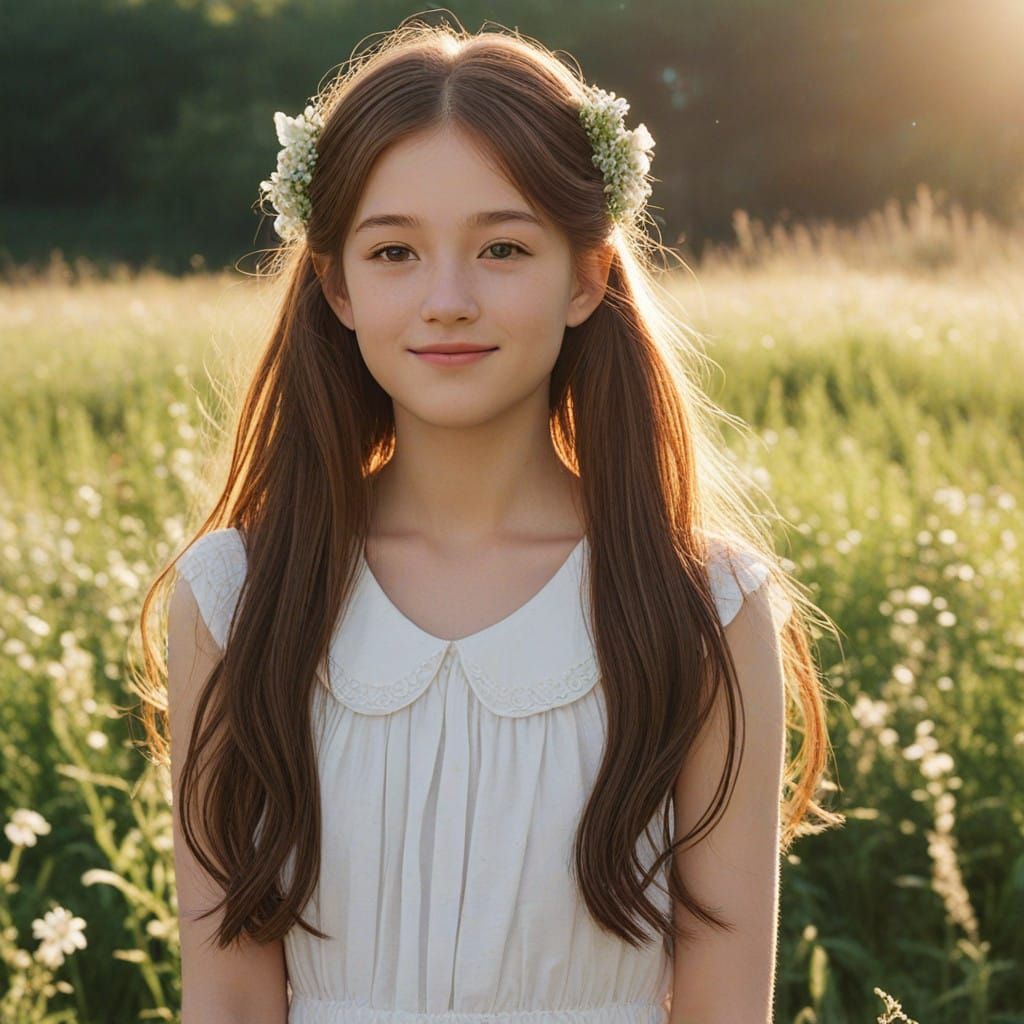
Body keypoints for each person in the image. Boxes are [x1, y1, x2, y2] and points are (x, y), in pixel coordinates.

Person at [135, 14, 844, 1024]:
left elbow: (724, 1007)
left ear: (587, 277)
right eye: (393, 253)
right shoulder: (236, 595)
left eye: (503, 246)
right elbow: (233, 996)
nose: (447, 299)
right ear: (335, 285)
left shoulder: (703, 603)